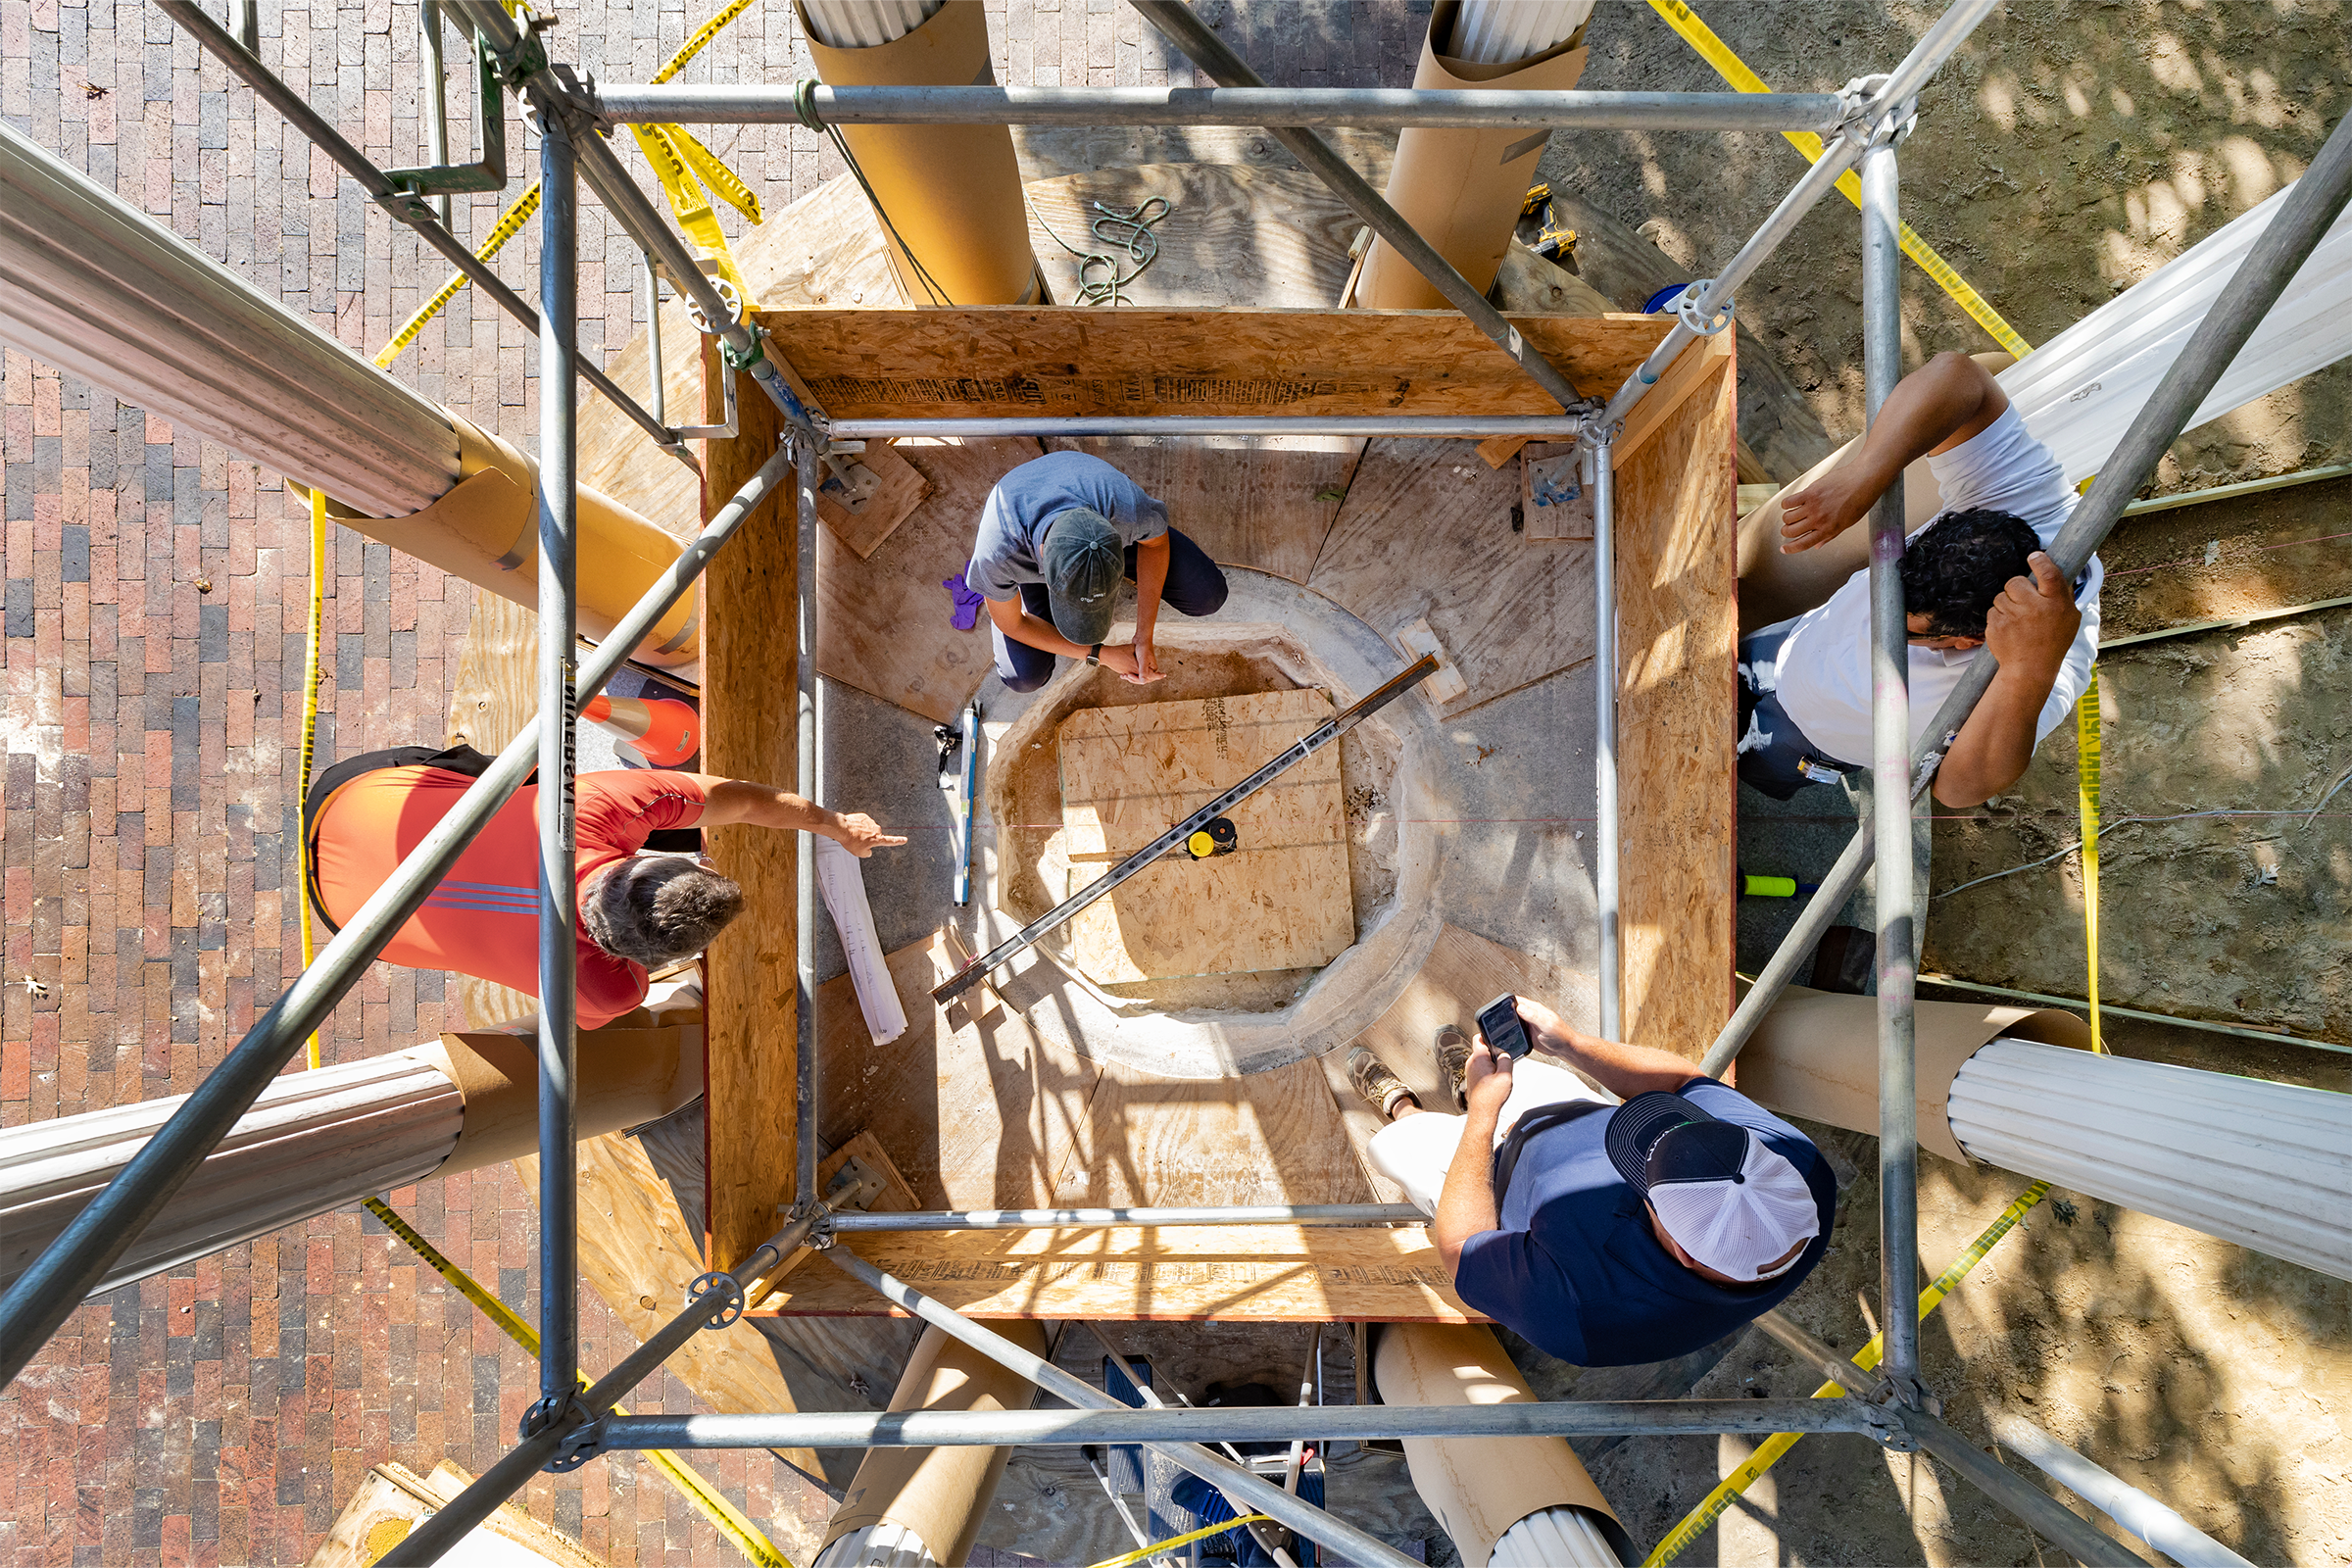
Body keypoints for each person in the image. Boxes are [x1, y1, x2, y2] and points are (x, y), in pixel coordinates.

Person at [1346, 997, 1836, 1368]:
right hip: (1558, 1109)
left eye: (1644, 1170)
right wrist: (1570, 1044)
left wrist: (1482, 1115)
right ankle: (1468, 1082)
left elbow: (1461, 1247)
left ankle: (1402, 1107)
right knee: (1521, 1071)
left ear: (1684, 1254)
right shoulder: (1797, 1170)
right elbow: (1682, 1085)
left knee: (1396, 1147)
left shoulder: (1581, 1313)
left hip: (1487, 1185)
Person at [304, 744, 904, 1030]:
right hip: (349, 918)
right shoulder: (595, 990)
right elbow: (743, 803)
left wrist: (835, 823)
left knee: (530, 781)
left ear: (638, 864)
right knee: (528, 785)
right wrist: (837, 827)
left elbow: (741, 798)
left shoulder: (586, 807)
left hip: (352, 799)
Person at [1738, 350, 2101, 808]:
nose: (1879, 620)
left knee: (1743, 766)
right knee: (1733, 667)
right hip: (1794, 642)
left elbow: (1958, 790)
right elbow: (1958, 375)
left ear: (1968, 641)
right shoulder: (2027, 505)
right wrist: (1868, 470)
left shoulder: (2042, 672)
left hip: (1807, 737)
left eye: (1908, 632)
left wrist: (2027, 671)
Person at [965, 450, 1229, 693]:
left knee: (1208, 596)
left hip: (1099, 529)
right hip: (1032, 548)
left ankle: (1101, 563)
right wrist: (1100, 655)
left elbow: (1156, 545)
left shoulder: (1128, 509)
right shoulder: (998, 554)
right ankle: (1008, 593)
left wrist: (1143, 636)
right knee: (1023, 677)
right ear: (1044, 555)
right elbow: (1012, 623)